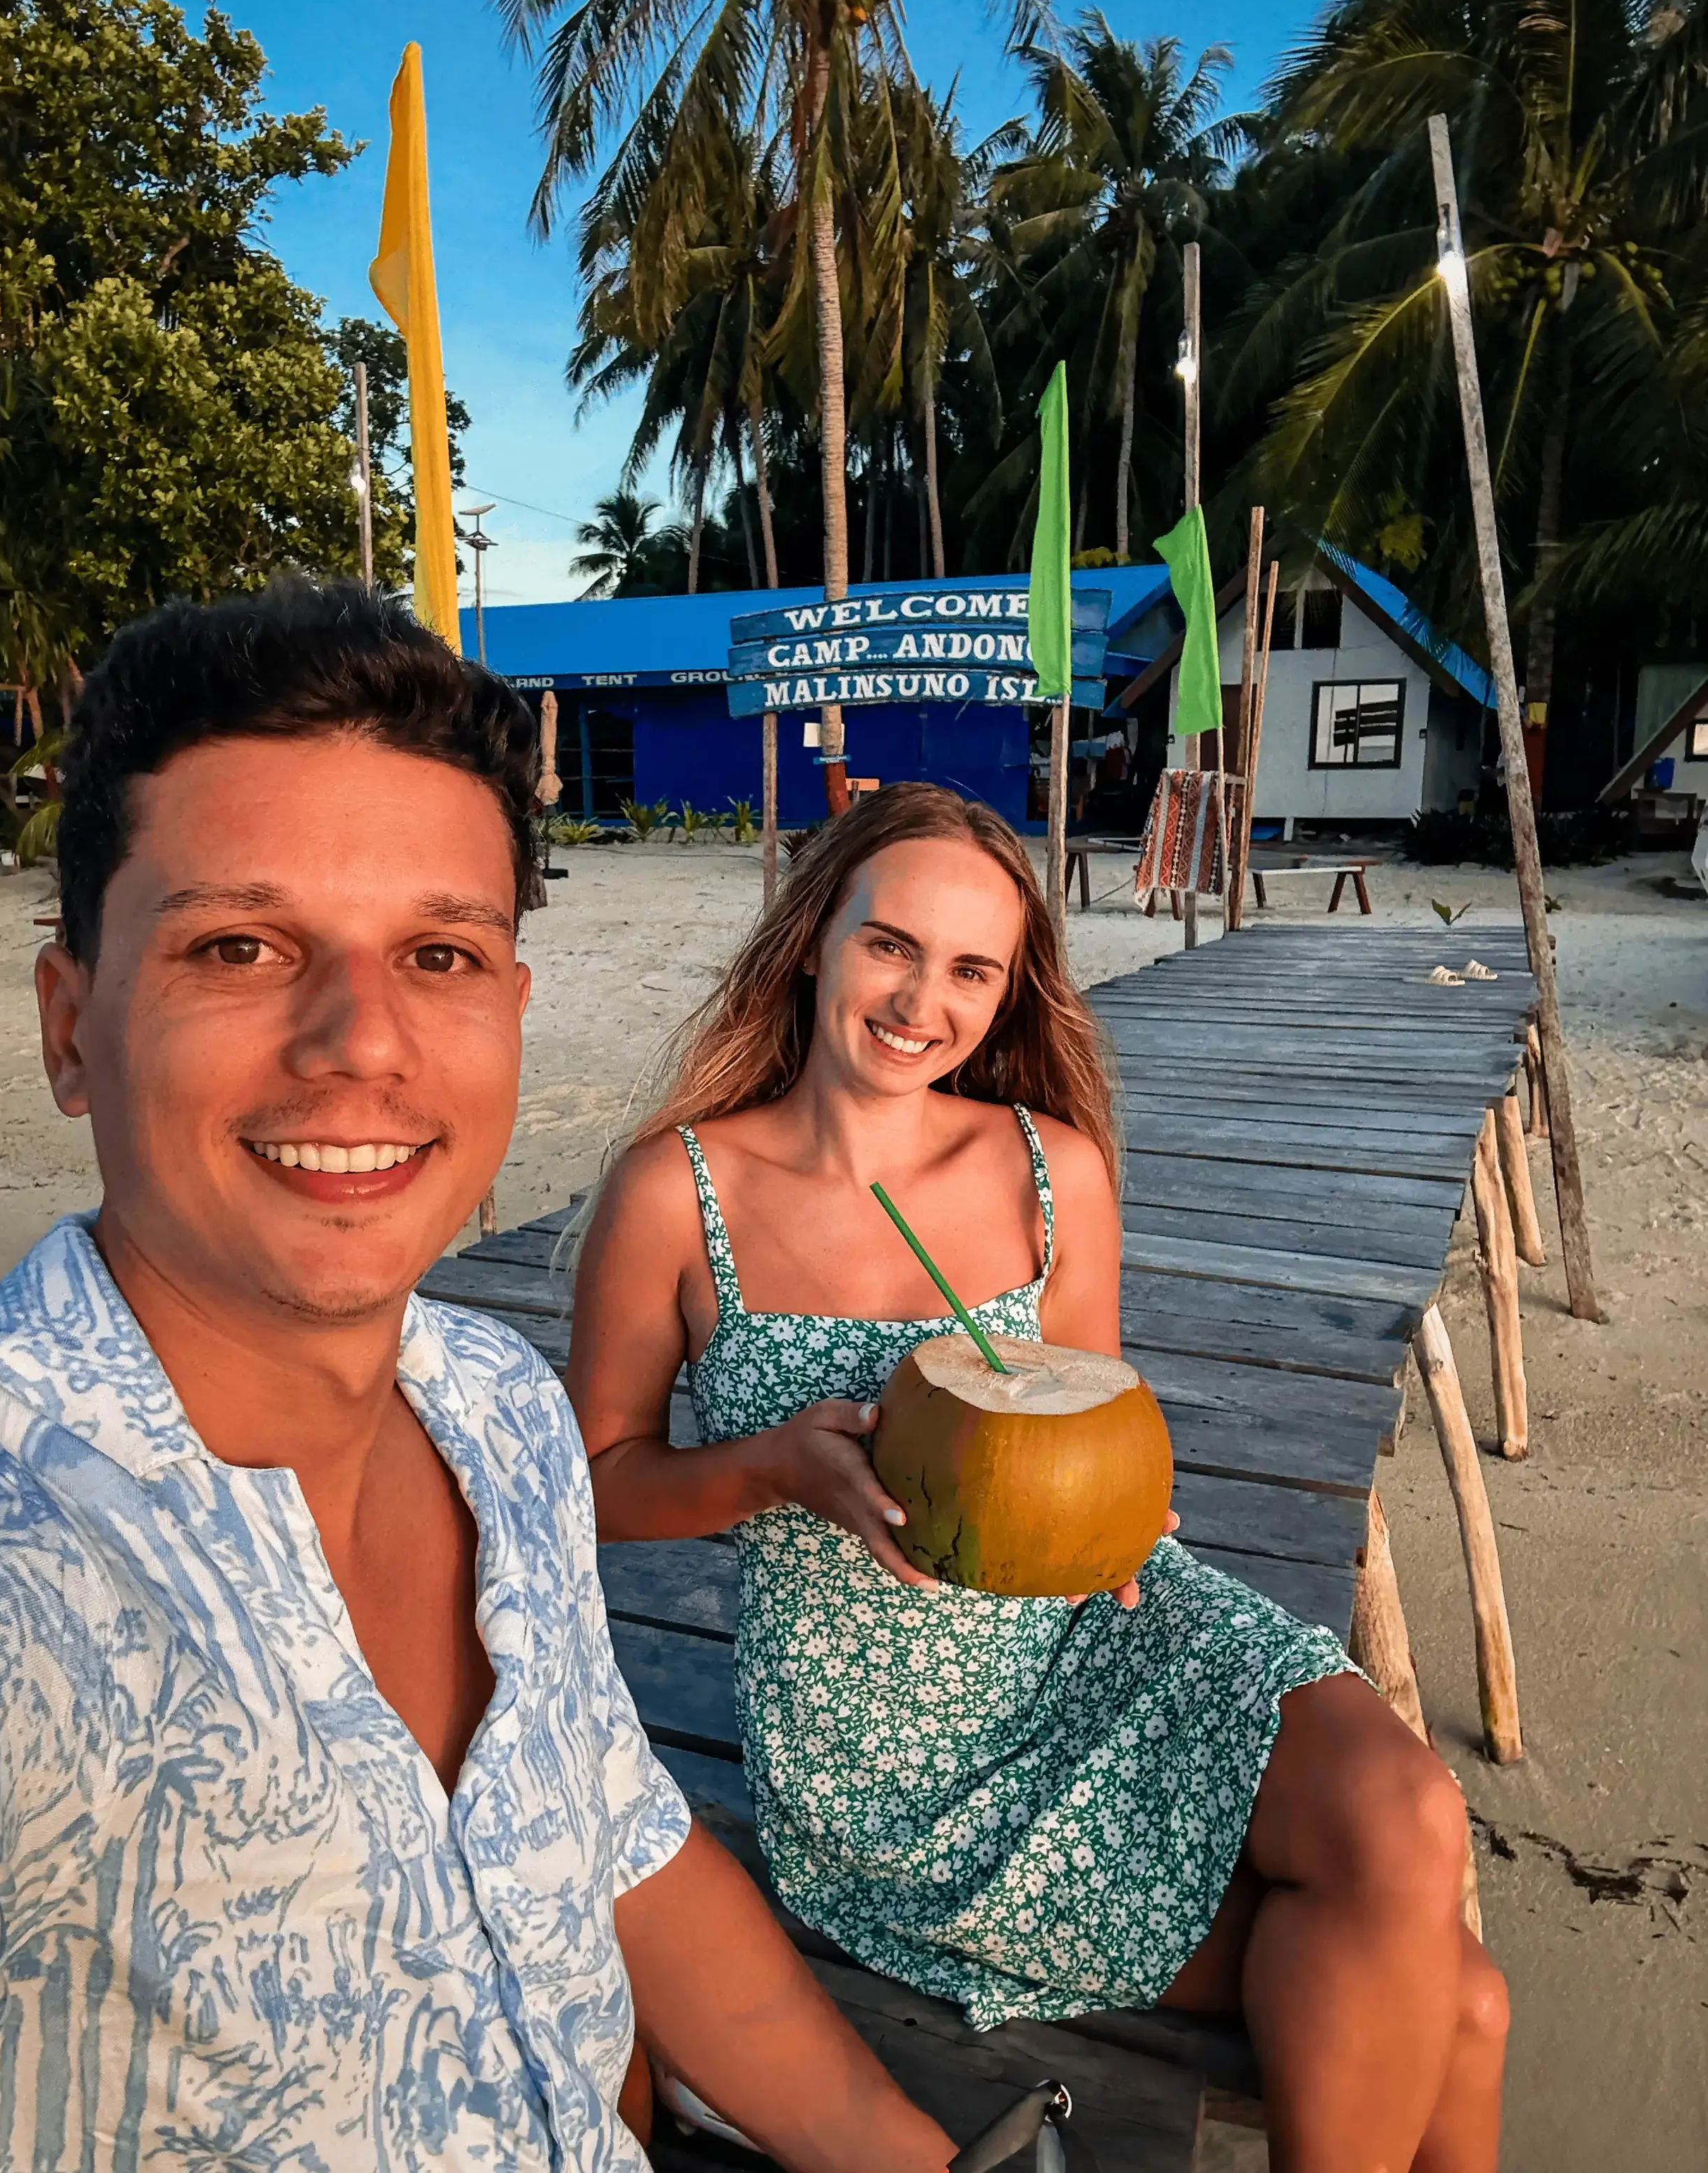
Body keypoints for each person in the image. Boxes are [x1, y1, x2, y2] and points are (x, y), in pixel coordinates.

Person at [0, 583, 953, 2173]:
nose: (360, 1040)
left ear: (508, 1009)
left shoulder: (496, 1406)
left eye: (438, 951)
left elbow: (626, 1848)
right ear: (71, 1028)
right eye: (239, 944)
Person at [569, 785, 1510, 2173]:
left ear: (1008, 994)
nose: (916, 1003)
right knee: (1461, 2001)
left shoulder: (1049, 1171)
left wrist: (1121, 1501)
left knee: (1410, 1809)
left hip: (1100, 1632)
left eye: (968, 970)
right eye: (888, 947)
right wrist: (771, 1469)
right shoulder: (675, 1192)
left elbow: (1098, 1411)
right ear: (814, 937)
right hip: (892, 1749)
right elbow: (594, 1480)